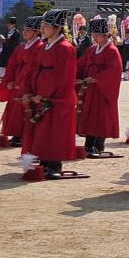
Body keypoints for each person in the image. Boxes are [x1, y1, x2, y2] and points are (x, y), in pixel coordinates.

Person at [22, 10, 80, 179]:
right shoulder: (43, 46)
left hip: (58, 98)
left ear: (57, 28)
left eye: (46, 25)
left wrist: (44, 94)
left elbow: (61, 76)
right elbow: (32, 70)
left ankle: (54, 164)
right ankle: (43, 162)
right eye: (42, 25)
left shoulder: (66, 48)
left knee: (55, 132)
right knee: (42, 131)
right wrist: (28, 91)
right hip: (41, 94)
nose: (43, 28)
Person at [76, 16, 122, 158]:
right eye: (93, 35)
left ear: (105, 35)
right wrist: (77, 76)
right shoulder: (91, 49)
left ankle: (97, 145)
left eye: (97, 35)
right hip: (91, 90)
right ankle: (90, 145)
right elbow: (81, 64)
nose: (95, 38)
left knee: (101, 117)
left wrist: (96, 78)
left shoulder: (112, 51)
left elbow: (114, 71)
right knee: (90, 116)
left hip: (102, 89)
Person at [0, 18, 41, 147]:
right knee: (14, 108)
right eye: (24, 30)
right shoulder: (21, 47)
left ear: (36, 31)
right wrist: (9, 80)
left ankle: (22, 135)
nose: (24, 32)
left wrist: (23, 81)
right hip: (17, 80)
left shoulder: (40, 47)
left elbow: (35, 67)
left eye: (28, 30)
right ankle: (15, 134)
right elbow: (12, 64)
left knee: (25, 108)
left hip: (28, 82)